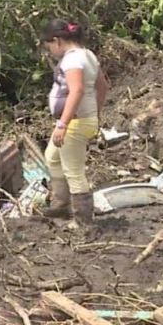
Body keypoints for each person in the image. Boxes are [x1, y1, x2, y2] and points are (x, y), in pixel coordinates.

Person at [39, 20, 109, 225]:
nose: (50, 51)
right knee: (52, 157)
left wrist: (63, 124)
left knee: (74, 171)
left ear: (58, 41)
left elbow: (76, 90)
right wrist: (94, 113)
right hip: (82, 119)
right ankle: (61, 206)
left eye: (49, 46)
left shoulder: (72, 60)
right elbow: (103, 87)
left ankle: (82, 221)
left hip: (73, 123)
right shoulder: (88, 55)